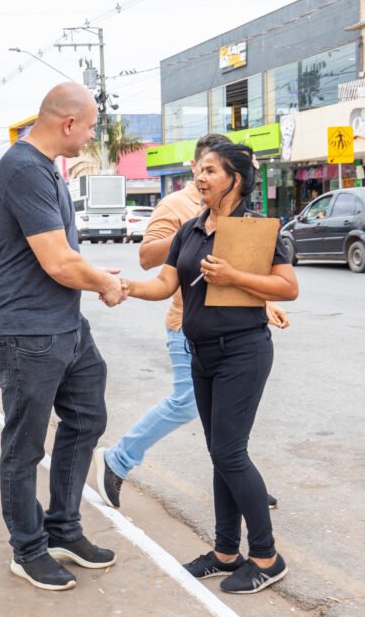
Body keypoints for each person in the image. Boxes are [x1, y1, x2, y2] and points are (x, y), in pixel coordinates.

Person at [123, 143, 298, 594]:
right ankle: (225, 552)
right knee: (220, 452)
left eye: (211, 171)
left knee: (229, 452)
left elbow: (287, 286)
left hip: (244, 350)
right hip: (200, 352)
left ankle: (266, 556)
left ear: (235, 178)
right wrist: (124, 286)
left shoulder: (256, 229)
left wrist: (234, 277)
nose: (200, 178)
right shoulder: (191, 229)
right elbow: (165, 282)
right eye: (198, 170)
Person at [94, 134, 288, 510]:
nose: (210, 177)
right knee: (188, 403)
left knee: (228, 426)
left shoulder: (240, 211)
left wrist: (263, 303)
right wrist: (198, 232)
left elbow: (239, 275)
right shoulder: (177, 206)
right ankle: (118, 458)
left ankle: (240, 480)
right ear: (198, 166)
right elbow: (149, 257)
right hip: (187, 321)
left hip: (232, 325)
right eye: (207, 168)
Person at [0, 83, 127, 592]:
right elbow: (57, 261)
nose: (91, 136)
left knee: (87, 415)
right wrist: (105, 283)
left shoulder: (44, 168)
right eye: (89, 127)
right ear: (68, 123)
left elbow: (63, 256)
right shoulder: (23, 167)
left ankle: (63, 527)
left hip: (63, 324)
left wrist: (93, 272)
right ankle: (28, 548)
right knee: (24, 447)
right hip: (27, 330)